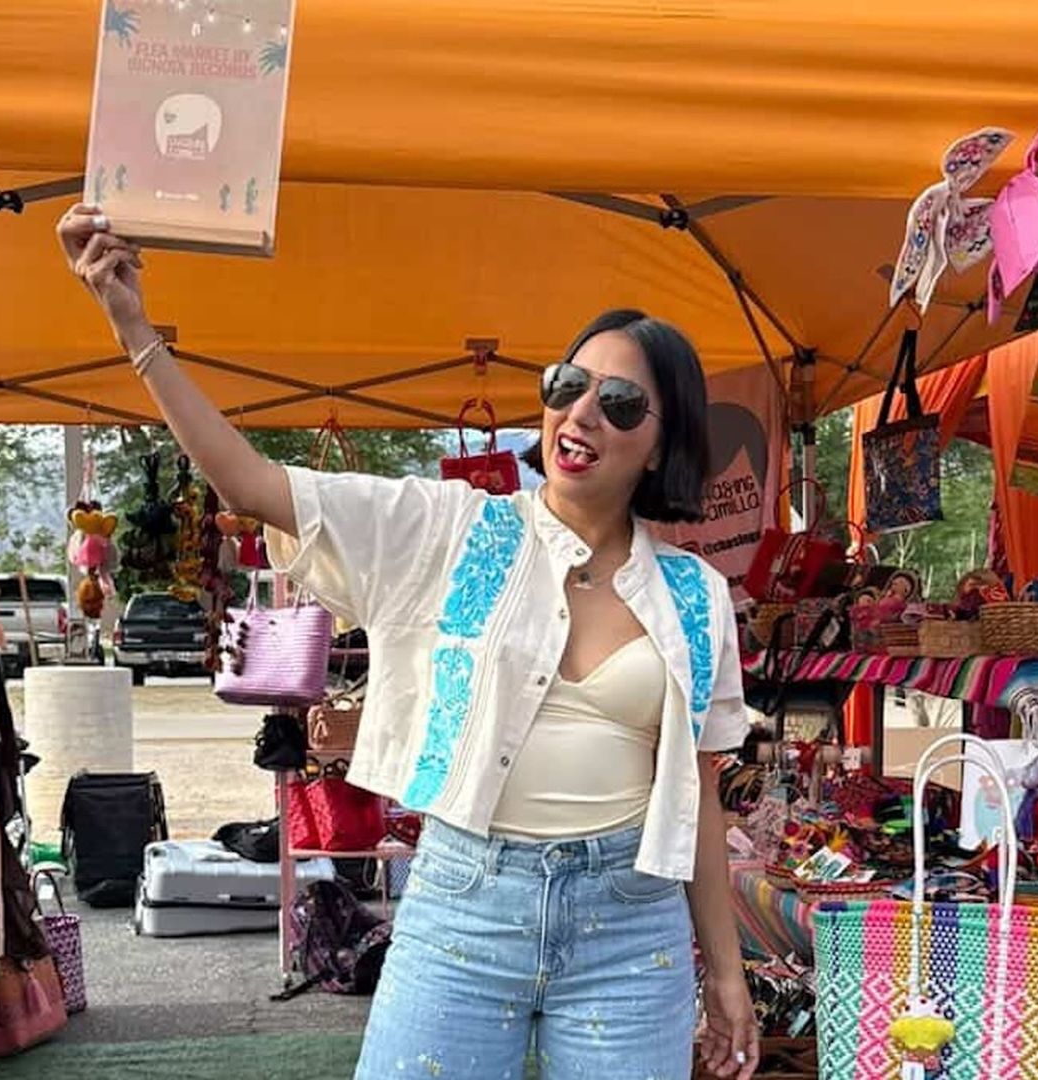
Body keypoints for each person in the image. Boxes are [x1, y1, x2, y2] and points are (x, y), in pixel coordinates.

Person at [57, 205, 760, 1080]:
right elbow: (251, 481)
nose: (581, 414)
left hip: (631, 924)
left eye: (619, 403)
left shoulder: (695, 597)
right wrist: (134, 328)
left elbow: (697, 799)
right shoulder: (447, 531)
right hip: (467, 905)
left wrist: (728, 978)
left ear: (662, 444)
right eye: (566, 384)